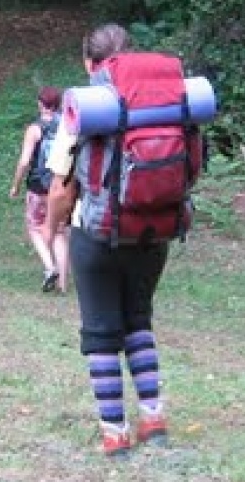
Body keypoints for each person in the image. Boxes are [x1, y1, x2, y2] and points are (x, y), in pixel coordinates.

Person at [43, 23, 173, 458]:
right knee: (138, 321)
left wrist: (52, 229)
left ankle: (114, 431)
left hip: (95, 236)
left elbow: (61, 187)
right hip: (154, 230)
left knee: (101, 333)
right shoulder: (164, 102)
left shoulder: (82, 108)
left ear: (89, 62)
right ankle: (152, 417)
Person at [9, 87, 70, 292]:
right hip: (62, 185)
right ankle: (63, 284)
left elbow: (25, 161)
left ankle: (49, 267)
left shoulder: (34, 129)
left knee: (35, 226)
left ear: (40, 103)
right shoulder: (67, 125)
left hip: (38, 187)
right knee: (60, 231)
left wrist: (16, 185)